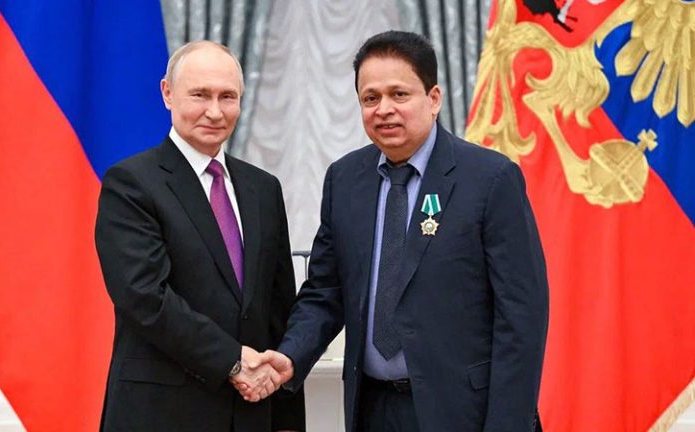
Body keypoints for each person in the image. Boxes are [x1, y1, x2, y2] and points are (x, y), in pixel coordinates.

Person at [248, 31, 549, 431]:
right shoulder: (345, 180)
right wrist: (291, 355)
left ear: (434, 98)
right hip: (371, 409)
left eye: (399, 94)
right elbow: (325, 292)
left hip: (463, 413)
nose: (384, 109)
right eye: (371, 98)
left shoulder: (490, 179)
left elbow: (522, 317)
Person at [95, 40, 304, 431]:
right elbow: (145, 297)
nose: (214, 111)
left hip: (251, 413)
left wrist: (289, 419)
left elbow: (279, 310)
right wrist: (233, 360)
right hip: (162, 413)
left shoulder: (263, 189)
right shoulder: (131, 184)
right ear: (167, 94)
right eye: (200, 95)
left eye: (228, 96)